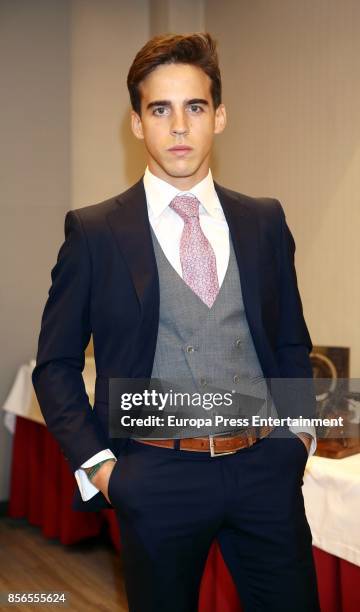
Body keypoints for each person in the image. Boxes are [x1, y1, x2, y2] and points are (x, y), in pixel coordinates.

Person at [32, 33, 320, 612]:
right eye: (160, 109)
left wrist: (300, 438)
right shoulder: (94, 233)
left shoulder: (264, 221)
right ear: (137, 123)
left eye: (194, 107)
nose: (180, 127)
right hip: (155, 472)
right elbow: (55, 366)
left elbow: (291, 340)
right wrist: (106, 470)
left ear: (219, 115)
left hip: (266, 466)